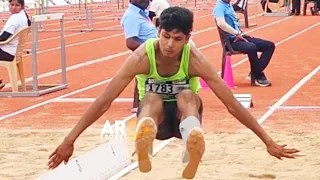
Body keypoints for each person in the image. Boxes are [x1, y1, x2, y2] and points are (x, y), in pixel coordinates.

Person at [48, 7, 299, 179]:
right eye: (165, 36)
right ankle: (144, 142)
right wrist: (70, 140)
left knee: (189, 97)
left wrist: (267, 141)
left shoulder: (194, 59)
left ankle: (192, 145)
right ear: (157, 31)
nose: (169, 44)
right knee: (152, 98)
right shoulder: (142, 57)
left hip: (181, 118)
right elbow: (105, 100)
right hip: (154, 120)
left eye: (177, 39)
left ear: (188, 38)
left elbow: (231, 103)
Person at [214, 0, 275, 87]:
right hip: (231, 41)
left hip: (241, 37)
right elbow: (221, 24)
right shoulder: (219, 7)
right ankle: (258, 76)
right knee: (251, 47)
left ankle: (254, 73)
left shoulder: (228, 5)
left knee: (269, 46)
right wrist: (236, 33)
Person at [121, 0, 158, 113]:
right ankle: (140, 107)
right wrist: (152, 49)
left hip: (150, 54)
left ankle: (138, 105)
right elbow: (130, 42)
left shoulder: (141, 13)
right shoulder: (132, 16)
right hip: (147, 54)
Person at [0, 0, 31, 90]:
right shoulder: (24, 16)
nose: (13, 7)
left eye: (17, 5)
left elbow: (4, 37)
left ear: (22, 6)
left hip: (7, 52)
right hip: (15, 52)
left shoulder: (15, 18)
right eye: (12, 5)